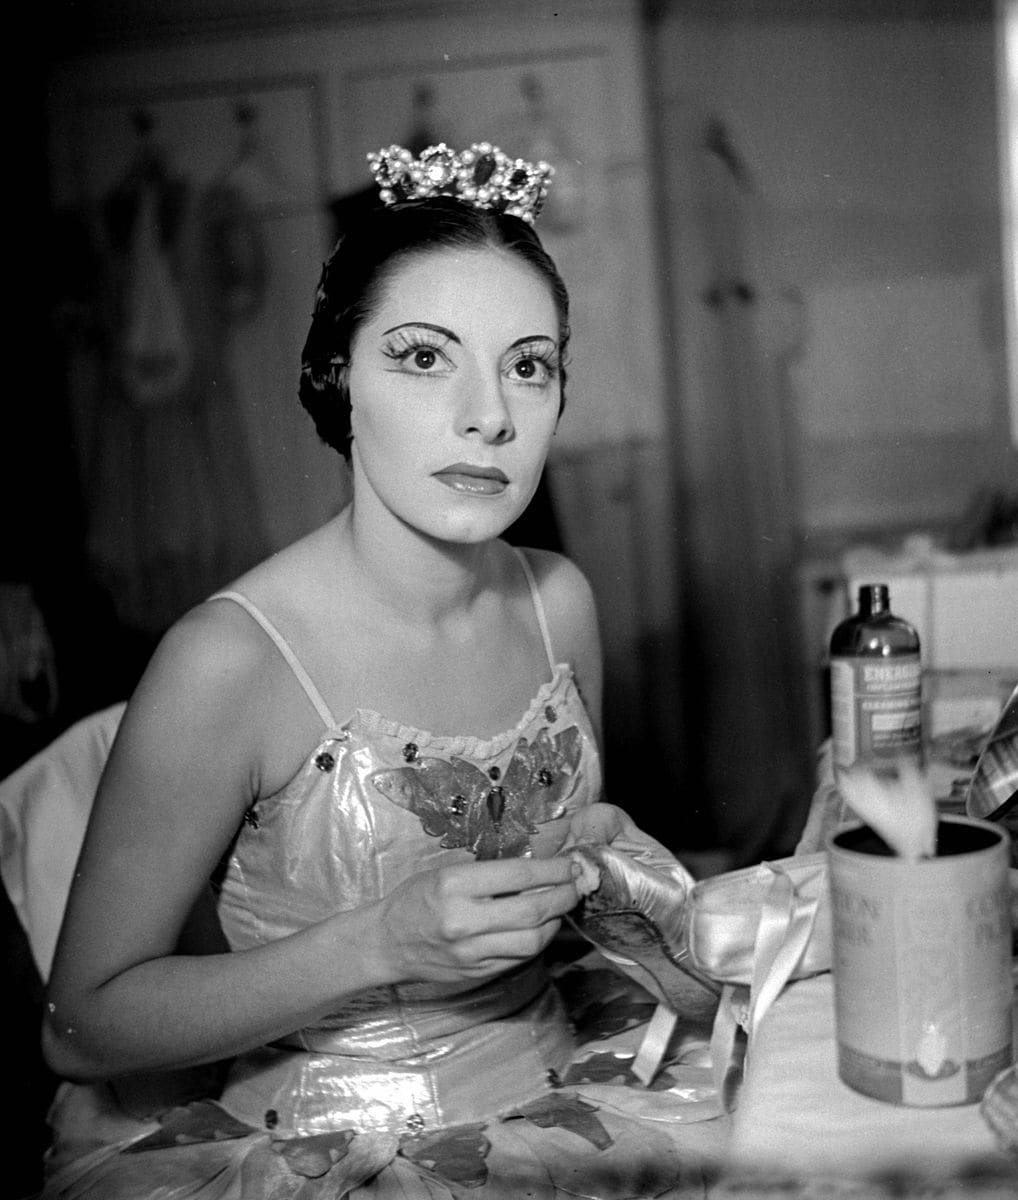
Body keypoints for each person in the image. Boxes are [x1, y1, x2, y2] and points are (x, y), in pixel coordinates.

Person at [37, 142, 724, 1200]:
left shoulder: (560, 601)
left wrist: (605, 877)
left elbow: (558, 869)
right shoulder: (226, 661)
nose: (487, 413)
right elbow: (83, 1027)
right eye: (421, 356)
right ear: (335, 377)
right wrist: (377, 942)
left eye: (527, 364)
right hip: (323, 1158)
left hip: (570, 1097)